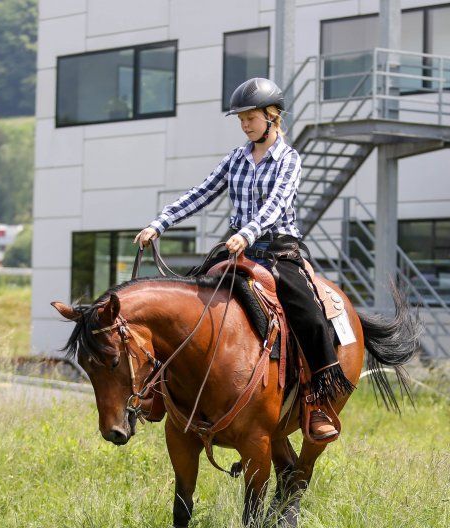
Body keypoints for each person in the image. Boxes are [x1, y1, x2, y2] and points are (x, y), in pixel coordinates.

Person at [134, 77, 353, 441]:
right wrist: (160, 224)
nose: (245, 124)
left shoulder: (289, 160)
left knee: (310, 316)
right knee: (185, 301)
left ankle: (316, 400)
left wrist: (247, 233)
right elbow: (201, 193)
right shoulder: (236, 158)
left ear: (272, 116)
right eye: (241, 119)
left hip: (279, 250)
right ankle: (159, 388)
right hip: (237, 249)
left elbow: (276, 205)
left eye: (250, 117)